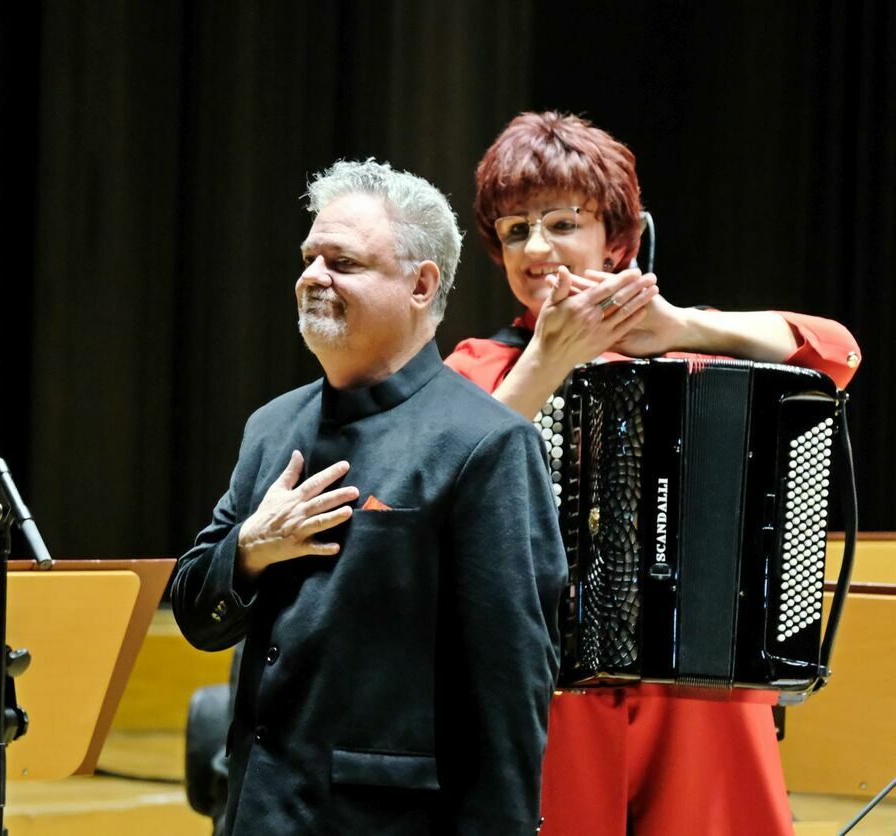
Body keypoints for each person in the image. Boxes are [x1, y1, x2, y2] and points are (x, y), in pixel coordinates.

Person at [445, 111, 862, 836]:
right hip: (550, 693)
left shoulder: (687, 342)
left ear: (618, 238)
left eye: (561, 222)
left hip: (702, 695)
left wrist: (687, 328)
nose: (537, 247)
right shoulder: (479, 367)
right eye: (515, 231)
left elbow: (835, 354)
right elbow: (454, 482)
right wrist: (545, 364)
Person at [170, 159, 568, 834]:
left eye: (344, 262)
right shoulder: (271, 427)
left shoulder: (486, 444)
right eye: (309, 257)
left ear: (421, 284)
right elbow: (196, 616)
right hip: (255, 814)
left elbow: (508, 693)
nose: (312, 278)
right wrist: (248, 550)